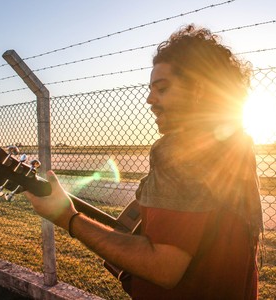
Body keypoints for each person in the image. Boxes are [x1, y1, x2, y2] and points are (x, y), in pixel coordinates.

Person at [25, 24, 263, 299]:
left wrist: (68, 218)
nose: (150, 99)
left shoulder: (181, 151)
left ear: (198, 89)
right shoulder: (236, 143)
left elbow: (164, 267)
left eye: (162, 88)